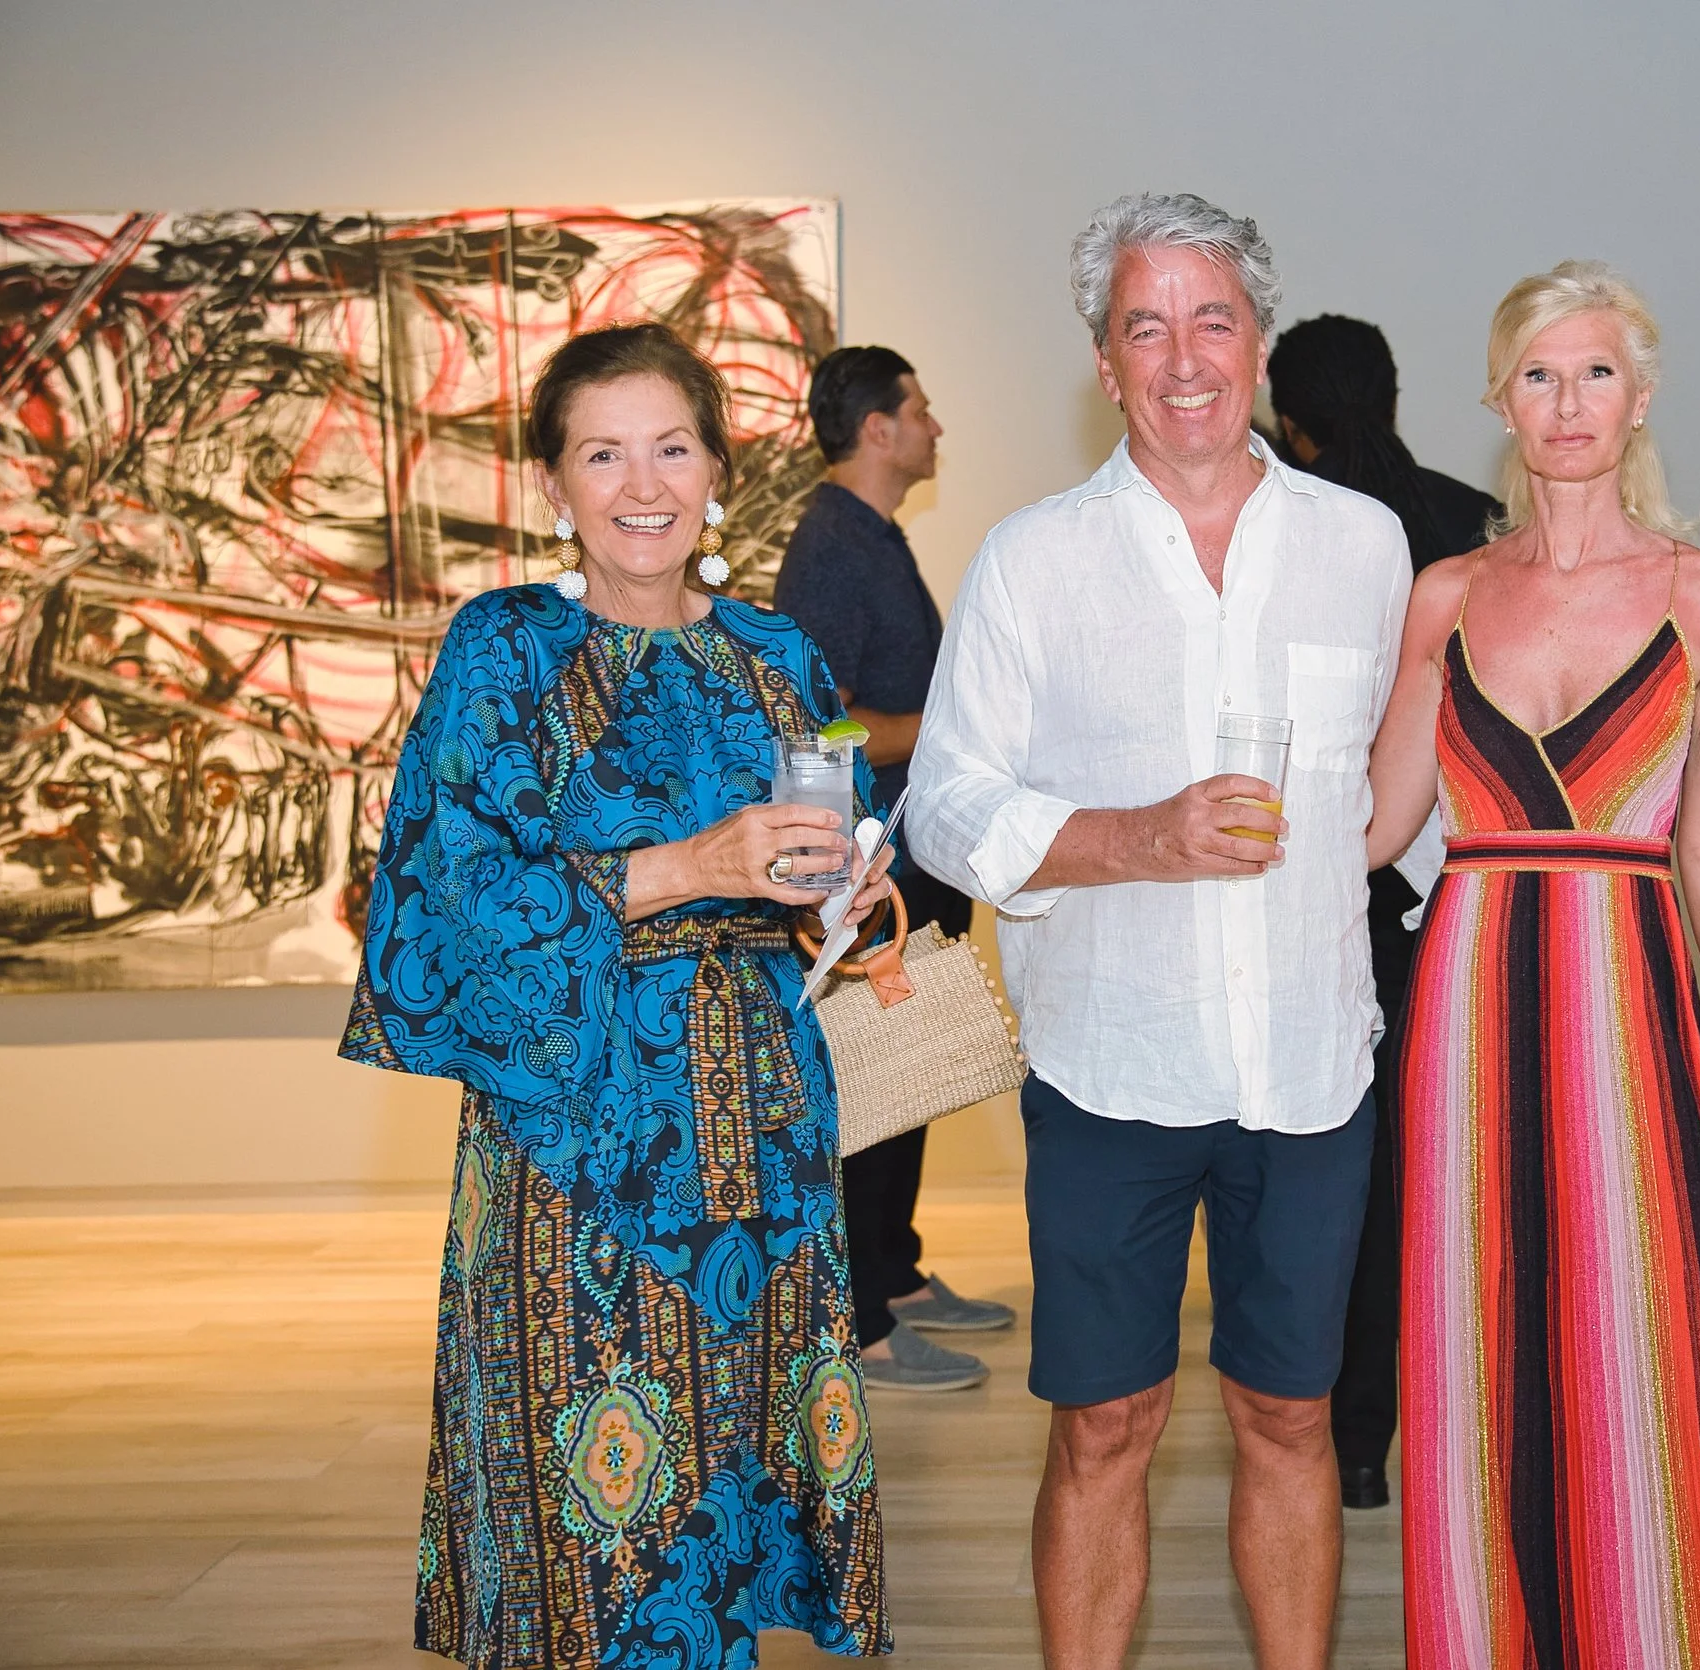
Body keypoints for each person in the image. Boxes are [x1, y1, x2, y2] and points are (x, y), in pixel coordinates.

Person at [341, 322, 896, 1665]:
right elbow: (456, 897)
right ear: (553, 483)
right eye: (603, 454)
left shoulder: (779, 652)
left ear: (717, 471)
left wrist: (844, 891)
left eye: (672, 447)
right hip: (577, 1127)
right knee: (596, 1490)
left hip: (762, 1116)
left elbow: (825, 832)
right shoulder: (505, 648)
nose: (643, 485)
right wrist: (696, 863)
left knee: (738, 1462)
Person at [907, 193, 1409, 1670]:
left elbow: (1414, 788)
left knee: (1292, 1413)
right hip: (1108, 1064)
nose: (1184, 357)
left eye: (1212, 320)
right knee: (1106, 1423)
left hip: (1309, 1065)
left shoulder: (1365, 547)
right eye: (1146, 327)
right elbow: (945, 804)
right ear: (1104, 360)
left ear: (1257, 340)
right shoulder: (1031, 559)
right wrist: (1137, 837)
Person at [1365, 262, 1700, 1667]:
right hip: (1467, 1009)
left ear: (1642, 396)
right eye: (1541, 375)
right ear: (1501, 397)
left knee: (1650, 1333)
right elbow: (1375, 825)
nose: (1569, 404)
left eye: (1597, 373)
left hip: (1630, 1002)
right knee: (1475, 1339)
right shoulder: (1444, 594)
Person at [1264, 313, 1499, 1513]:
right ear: (1398, 393)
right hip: (1455, 889)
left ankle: (1342, 1438)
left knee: (1322, 1174)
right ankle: (1458, 1431)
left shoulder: (1286, 533)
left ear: (1286, 419)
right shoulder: (1475, 525)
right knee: (1444, 1173)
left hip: (1316, 882)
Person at [774, 345, 1015, 1394]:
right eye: (919, 408)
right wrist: (945, 728)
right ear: (876, 428)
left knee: (907, 1070)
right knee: (872, 1080)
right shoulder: (831, 546)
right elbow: (816, 724)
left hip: (910, 854)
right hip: (872, 870)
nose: (935, 426)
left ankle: (895, 1273)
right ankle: (862, 1318)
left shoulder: (867, 534)